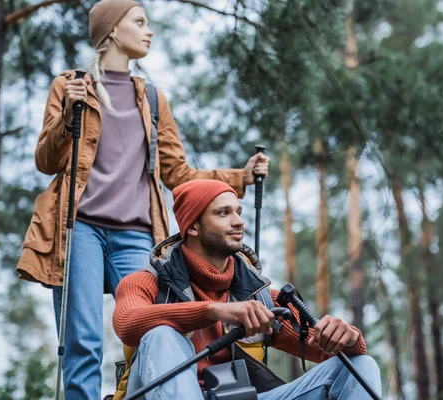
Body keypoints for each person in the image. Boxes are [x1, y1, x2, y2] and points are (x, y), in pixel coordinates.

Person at [16, 1, 269, 398]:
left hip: (136, 233)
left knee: (152, 327)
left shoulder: (151, 98)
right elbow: (47, 161)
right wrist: (69, 114)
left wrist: (241, 177)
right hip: (79, 226)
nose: (149, 30)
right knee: (82, 340)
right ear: (113, 30)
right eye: (140, 22)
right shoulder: (70, 85)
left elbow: (179, 174)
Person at [112, 179, 382, 399]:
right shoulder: (145, 283)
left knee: (360, 366)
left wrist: (348, 338)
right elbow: (127, 323)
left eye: (238, 212)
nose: (239, 222)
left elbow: (329, 352)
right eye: (223, 213)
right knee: (161, 335)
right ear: (192, 226)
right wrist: (215, 311)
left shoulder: (258, 297)